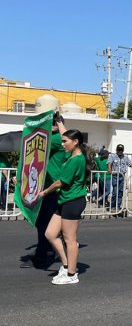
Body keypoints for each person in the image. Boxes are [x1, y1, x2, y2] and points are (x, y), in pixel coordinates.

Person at [38, 130, 92, 285]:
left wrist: (45, 192)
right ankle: (67, 264)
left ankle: (71, 275)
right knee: (50, 234)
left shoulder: (76, 160)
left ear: (75, 142)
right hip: (64, 201)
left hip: (73, 202)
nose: (62, 144)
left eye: (65, 141)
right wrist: (59, 120)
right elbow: (66, 133)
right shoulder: (72, 155)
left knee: (70, 240)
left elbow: (60, 182)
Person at [21, 112, 69, 268]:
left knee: (44, 225)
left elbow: (62, 137)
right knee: (44, 224)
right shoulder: (53, 139)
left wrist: (55, 122)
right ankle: (49, 249)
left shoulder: (54, 140)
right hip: (44, 189)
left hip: (51, 190)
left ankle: (44, 254)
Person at [107, 144, 132, 212]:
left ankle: (118, 206)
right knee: (115, 192)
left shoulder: (125, 158)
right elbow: (109, 163)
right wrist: (109, 169)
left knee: (120, 192)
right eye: (119, 150)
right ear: (116, 150)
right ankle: (113, 206)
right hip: (115, 176)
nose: (120, 151)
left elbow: (131, 164)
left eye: (121, 150)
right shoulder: (112, 156)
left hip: (122, 177)